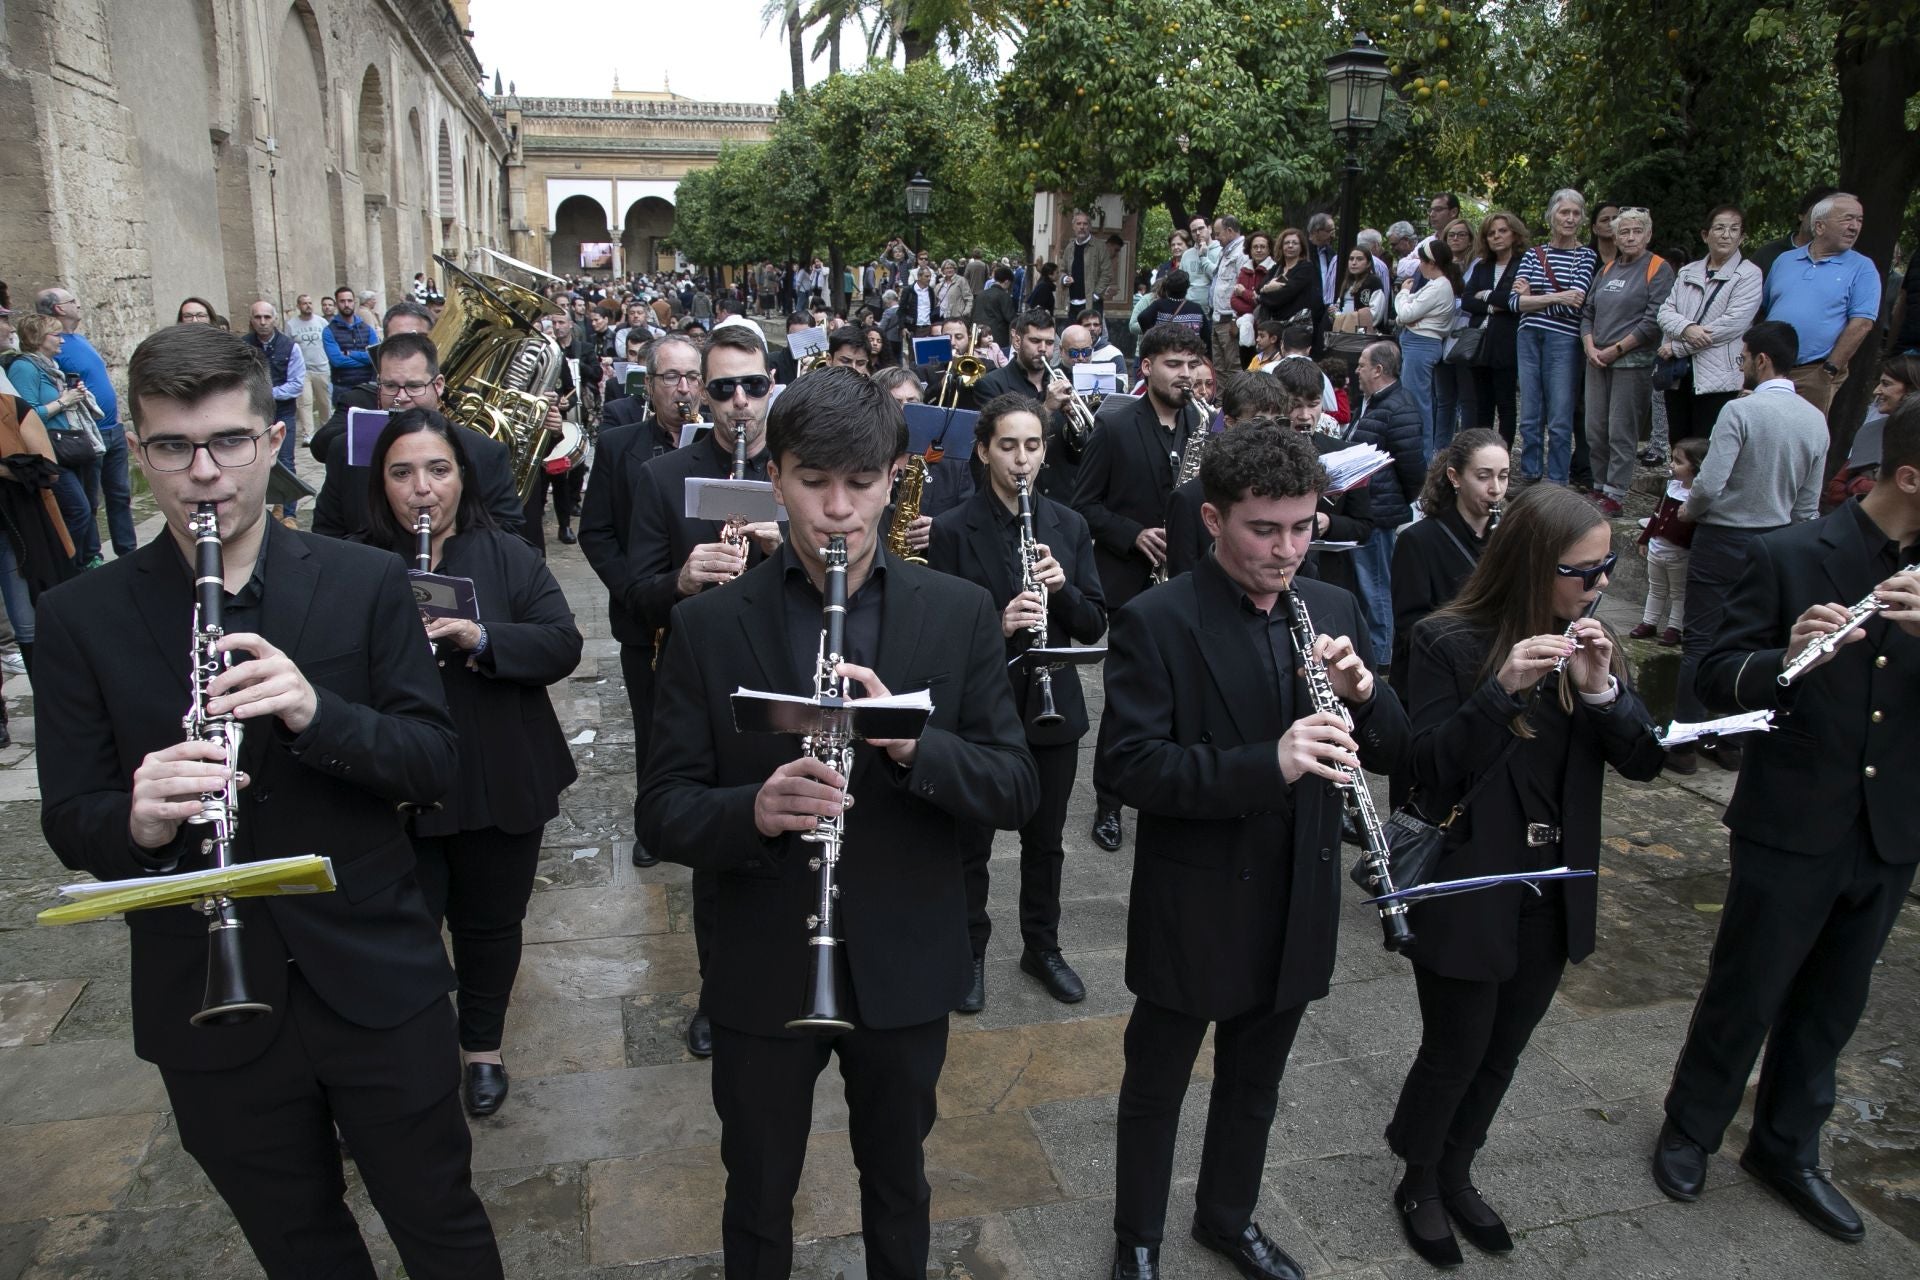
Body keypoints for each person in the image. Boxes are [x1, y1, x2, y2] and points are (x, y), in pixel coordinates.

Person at [34, 323, 503, 1278]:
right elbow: (67, 818)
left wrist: (316, 713)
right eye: (173, 447)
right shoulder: (79, 617)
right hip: (206, 1005)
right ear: (139, 452)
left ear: (275, 439)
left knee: (442, 1224)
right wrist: (137, 816)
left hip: (376, 982)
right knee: (298, 1247)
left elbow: (431, 762)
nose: (203, 472)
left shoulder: (365, 581)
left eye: (229, 443)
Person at [636, 366, 1038, 1279]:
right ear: (774, 477)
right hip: (761, 961)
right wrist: (755, 810)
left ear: (894, 476)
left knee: (899, 1182)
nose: (838, 512)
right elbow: (661, 810)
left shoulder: (960, 612)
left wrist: (910, 745)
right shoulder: (708, 628)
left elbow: (1016, 788)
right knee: (758, 1190)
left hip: (905, 960)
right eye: (814, 483)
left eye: (860, 484)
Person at [1099, 425, 1409, 1280]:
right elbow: (1128, 766)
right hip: (1195, 900)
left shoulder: (1333, 608)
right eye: (1264, 530)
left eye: (1303, 527)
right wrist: (1267, 761)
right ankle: (1138, 1240)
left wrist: (1366, 693)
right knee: (1156, 1086)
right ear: (1212, 520)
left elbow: (1391, 749)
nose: (1288, 549)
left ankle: (1226, 1219)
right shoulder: (1155, 620)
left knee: (1255, 1085)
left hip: (1296, 894)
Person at [1652, 399, 1920, 1246]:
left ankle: (1786, 1149)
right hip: (1792, 818)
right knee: (1748, 985)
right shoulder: (1794, 552)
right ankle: (1691, 1128)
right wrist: (1785, 659)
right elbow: (1721, 675)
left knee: (1836, 1001)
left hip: (1890, 827)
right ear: (1910, 477)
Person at [1385, 482, 1664, 1268]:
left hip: (1556, 878)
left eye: (1608, 566)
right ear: (1535, 566)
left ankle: (1458, 1166)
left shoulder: (1588, 641)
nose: (1601, 582)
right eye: (1585, 570)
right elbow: (1423, 767)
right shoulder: (1448, 641)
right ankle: (1418, 1175)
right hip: (1472, 879)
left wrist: (1604, 691)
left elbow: (1643, 760)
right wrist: (1500, 690)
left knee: (1506, 1045)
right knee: (1458, 1044)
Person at [356, 409, 580, 1116]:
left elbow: (561, 643)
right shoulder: (356, 564)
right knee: (406, 927)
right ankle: (419, 1045)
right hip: (397, 782)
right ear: (381, 484)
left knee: (490, 923)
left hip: (498, 769)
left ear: (463, 476)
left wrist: (482, 638)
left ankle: (482, 1046)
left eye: (438, 470)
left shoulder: (506, 552)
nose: (422, 489)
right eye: (402, 473)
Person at [622, 326, 784, 1057]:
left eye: (751, 386)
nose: (738, 403)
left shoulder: (796, 468)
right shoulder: (662, 477)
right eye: (722, 389)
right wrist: (682, 581)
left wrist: (789, 556)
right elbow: (632, 599)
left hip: (785, 674)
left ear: (770, 384)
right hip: (705, 688)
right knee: (718, 852)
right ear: (703, 394)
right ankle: (718, 992)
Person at [928, 393, 1106, 1013]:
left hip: (1051, 704)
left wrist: (1060, 592)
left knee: (1046, 838)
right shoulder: (951, 529)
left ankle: (1042, 945)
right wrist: (998, 624)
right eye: (1008, 446)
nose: (1022, 459)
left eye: (1032, 446)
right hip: (982, 709)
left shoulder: (1069, 525)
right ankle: (970, 948)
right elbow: (939, 639)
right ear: (983, 451)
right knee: (971, 837)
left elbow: (1092, 624)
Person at [1665, 321, 1829, 774]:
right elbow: (1807, 506)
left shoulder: (1740, 413)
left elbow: (1710, 482)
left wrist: (1689, 511)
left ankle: (1682, 745)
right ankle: (1733, 742)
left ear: (1761, 360)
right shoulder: (1816, 420)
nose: (1741, 368)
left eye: (1742, 359)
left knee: (1700, 639)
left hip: (1724, 537)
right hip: (1777, 542)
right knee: (1754, 641)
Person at [311, 333, 525, 539]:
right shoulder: (344, 449)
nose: (401, 397)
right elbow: (328, 532)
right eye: (390, 386)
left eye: (414, 386)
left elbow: (506, 532)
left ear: (438, 385)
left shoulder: (485, 451)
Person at [1387, 427, 1510, 758]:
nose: (1496, 489)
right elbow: (1410, 628)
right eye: (1484, 476)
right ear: (1455, 477)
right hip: (1434, 693)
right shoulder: (1419, 541)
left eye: (1503, 476)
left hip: (1489, 681)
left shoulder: (1507, 538)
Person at [1581, 208, 1674, 516]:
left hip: (1632, 361)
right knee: (1595, 427)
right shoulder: (1607, 269)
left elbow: (1653, 321)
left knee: (1621, 429)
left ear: (1648, 235)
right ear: (1615, 237)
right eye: (1624, 232)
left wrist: (1617, 349)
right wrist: (1591, 346)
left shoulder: (1657, 268)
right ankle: (1598, 485)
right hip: (1597, 359)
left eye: (1637, 231)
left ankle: (1616, 493)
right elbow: (1588, 312)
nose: (1630, 237)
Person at [33, 285, 136, 557]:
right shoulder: (54, 349)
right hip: (88, 435)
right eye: (72, 300)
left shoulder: (77, 340)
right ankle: (92, 556)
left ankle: (128, 551)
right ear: (58, 308)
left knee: (120, 497)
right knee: (89, 501)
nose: (78, 304)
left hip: (112, 429)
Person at [1761, 193, 1879, 418]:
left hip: (1814, 371)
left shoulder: (1862, 268)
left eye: (1859, 220)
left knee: (1802, 441)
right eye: (1847, 219)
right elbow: (1765, 310)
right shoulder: (1785, 260)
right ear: (1820, 226)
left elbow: (1862, 324)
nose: (1854, 227)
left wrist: (1829, 370)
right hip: (1770, 367)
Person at [1348, 340, 1428, 664]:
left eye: (1362, 364)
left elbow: (1413, 468)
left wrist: (1398, 502)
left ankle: (1382, 658)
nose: (1357, 370)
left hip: (1380, 511)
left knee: (1376, 586)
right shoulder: (1372, 402)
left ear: (1379, 370)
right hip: (1368, 508)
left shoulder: (1399, 408)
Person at [1657, 204, 1765, 441]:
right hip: (1680, 374)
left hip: (1719, 378)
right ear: (1705, 235)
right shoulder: (1688, 271)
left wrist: (1676, 347)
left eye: (1734, 229)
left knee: (1707, 444)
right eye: (1719, 228)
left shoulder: (1748, 274)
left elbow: (1732, 324)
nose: (1726, 235)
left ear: (1742, 237)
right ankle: (1678, 480)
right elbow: (1665, 311)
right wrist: (1686, 328)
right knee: (1677, 442)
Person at [1512, 190, 1599, 485]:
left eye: (1576, 213)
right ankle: (1531, 475)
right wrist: (1556, 297)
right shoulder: (1534, 254)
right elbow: (1515, 304)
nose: (1570, 219)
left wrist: (1535, 296)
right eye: (1564, 212)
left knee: (1560, 415)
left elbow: (1576, 300)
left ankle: (1558, 480)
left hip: (1564, 340)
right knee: (1530, 413)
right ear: (1552, 216)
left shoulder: (1587, 256)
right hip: (1529, 337)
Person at [9, 312, 101, 567]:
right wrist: (64, 401)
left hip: (70, 447)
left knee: (87, 508)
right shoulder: (24, 367)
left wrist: (74, 395)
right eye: (56, 335)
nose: (62, 341)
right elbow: (25, 413)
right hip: (50, 450)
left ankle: (83, 562)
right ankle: (63, 565)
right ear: (37, 337)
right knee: (78, 511)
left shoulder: (51, 368)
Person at [1631, 436, 1708, 648]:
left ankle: (1675, 627)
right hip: (1657, 549)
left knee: (1678, 593)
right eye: (1672, 459)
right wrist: (1645, 538)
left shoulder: (1698, 496)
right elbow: (1656, 515)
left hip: (1679, 554)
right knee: (1655, 588)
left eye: (1679, 461)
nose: (1672, 465)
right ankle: (1649, 621)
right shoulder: (1671, 487)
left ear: (1696, 466)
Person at [1459, 212, 1527, 445]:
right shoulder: (1482, 267)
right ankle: (1482, 454)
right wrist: (1492, 307)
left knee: (1506, 405)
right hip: (1479, 343)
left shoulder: (1524, 264)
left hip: (1506, 343)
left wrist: (1488, 296)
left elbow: (1515, 301)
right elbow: (1467, 300)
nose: (1497, 236)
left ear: (1514, 234)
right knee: (1482, 405)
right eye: (1491, 233)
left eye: (1502, 231)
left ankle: (1502, 457)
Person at [1395, 237, 1466, 459]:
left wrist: (1403, 294)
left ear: (1431, 263)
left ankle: (1422, 458)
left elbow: (1405, 313)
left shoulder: (1439, 286)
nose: (1419, 265)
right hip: (1418, 343)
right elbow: (1404, 317)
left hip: (1421, 345)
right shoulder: (1436, 286)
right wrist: (1406, 313)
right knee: (1417, 401)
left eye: (1421, 261)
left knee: (1417, 404)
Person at [243, 301, 307, 526]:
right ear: (251, 319)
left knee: (286, 461)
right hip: (252, 413)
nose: (262, 322)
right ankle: (257, 514)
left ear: (275, 319)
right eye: (257, 317)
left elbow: (296, 384)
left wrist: (265, 392)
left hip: (283, 412)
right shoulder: (243, 347)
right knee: (252, 462)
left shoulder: (290, 347)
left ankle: (289, 512)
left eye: (267, 317)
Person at [286, 294, 331, 442]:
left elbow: (329, 342)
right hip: (303, 370)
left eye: (310, 303)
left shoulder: (322, 322)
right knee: (305, 402)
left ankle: (326, 429)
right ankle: (308, 434)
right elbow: (288, 346)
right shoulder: (291, 324)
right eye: (304, 303)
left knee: (324, 402)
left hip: (322, 367)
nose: (308, 306)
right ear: (299, 306)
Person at [322, 285, 379, 393]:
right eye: (342, 301)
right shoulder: (329, 331)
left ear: (354, 303)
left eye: (349, 301)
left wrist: (350, 353)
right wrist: (366, 359)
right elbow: (337, 361)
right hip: (343, 388)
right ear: (336, 304)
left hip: (368, 386)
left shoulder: (367, 329)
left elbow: (375, 357)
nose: (346, 305)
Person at [1331, 247, 1386, 334]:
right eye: (1351, 259)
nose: (1354, 263)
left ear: (1368, 263)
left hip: (1362, 334)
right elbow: (1339, 306)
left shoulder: (1373, 282)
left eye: (1359, 259)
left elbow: (1376, 315)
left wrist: (1355, 323)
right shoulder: (1347, 282)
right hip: (1343, 331)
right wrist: (1335, 312)